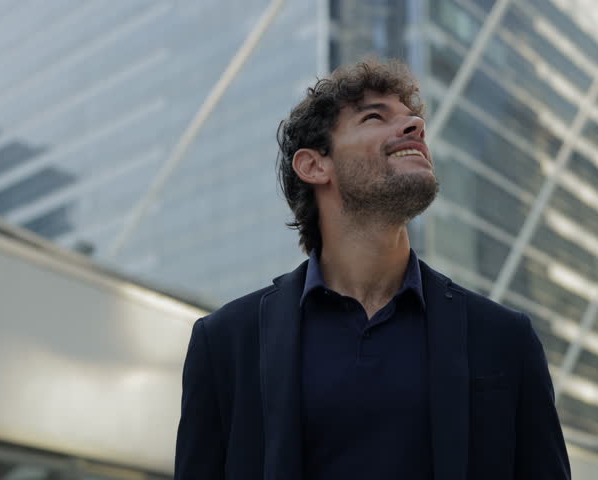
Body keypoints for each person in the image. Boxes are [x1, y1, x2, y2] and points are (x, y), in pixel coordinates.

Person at [174, 58, 571, 480]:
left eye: (412, 118)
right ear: (314, 165)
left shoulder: (505, 339)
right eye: (375, 117)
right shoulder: (225, 344)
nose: (414, 126)